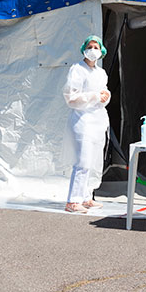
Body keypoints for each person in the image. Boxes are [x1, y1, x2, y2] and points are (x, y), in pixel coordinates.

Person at [63, 34, 111, 213]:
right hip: (82, 120)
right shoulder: (77, 69)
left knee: (95, 161)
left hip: (98, 120)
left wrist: (105, 96)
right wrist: (94, 96)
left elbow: (104, 91)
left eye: (96, 47)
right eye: (90, 47)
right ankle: (73, 200)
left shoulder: (101, 72)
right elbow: (71, 98)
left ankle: (86, 196)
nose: (93, 50)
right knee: (82, 161)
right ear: (84, 49)